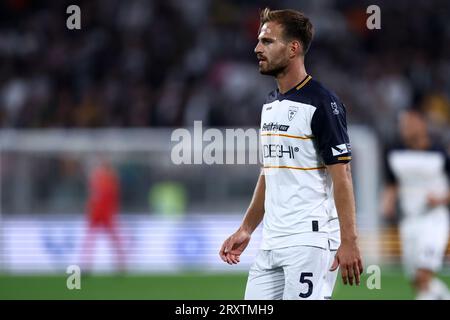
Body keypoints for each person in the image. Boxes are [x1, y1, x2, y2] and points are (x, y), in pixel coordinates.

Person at [219, 8, 362, 300]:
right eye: (260, 41)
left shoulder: (323, 103)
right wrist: (247, 228)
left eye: (267, 41)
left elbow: (342, 174)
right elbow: (269, 172)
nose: (257, 48)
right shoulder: (270, 104)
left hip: (309, 240)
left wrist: (349, 241)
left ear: (293, 48)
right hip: (271, 242)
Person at [382, 109, 450, 300]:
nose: (405, 128)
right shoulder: (394, 152)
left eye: (409, 123)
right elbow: (391, 183)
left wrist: (442, 198)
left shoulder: (440, 154)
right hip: (409, 220)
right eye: (402, 124)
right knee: (416, 281)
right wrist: (388, 201)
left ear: (422, 123)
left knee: (423, 275)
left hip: (434, 219)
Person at [80, 158, 126, 272]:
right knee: (91, 239)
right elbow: (93, 197)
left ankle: (120, 264)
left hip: (105, 212)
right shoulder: (99, 178)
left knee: (113, 239)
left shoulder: (108, 179)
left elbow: (112, 197)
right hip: (98, 213)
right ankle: (86, 264)